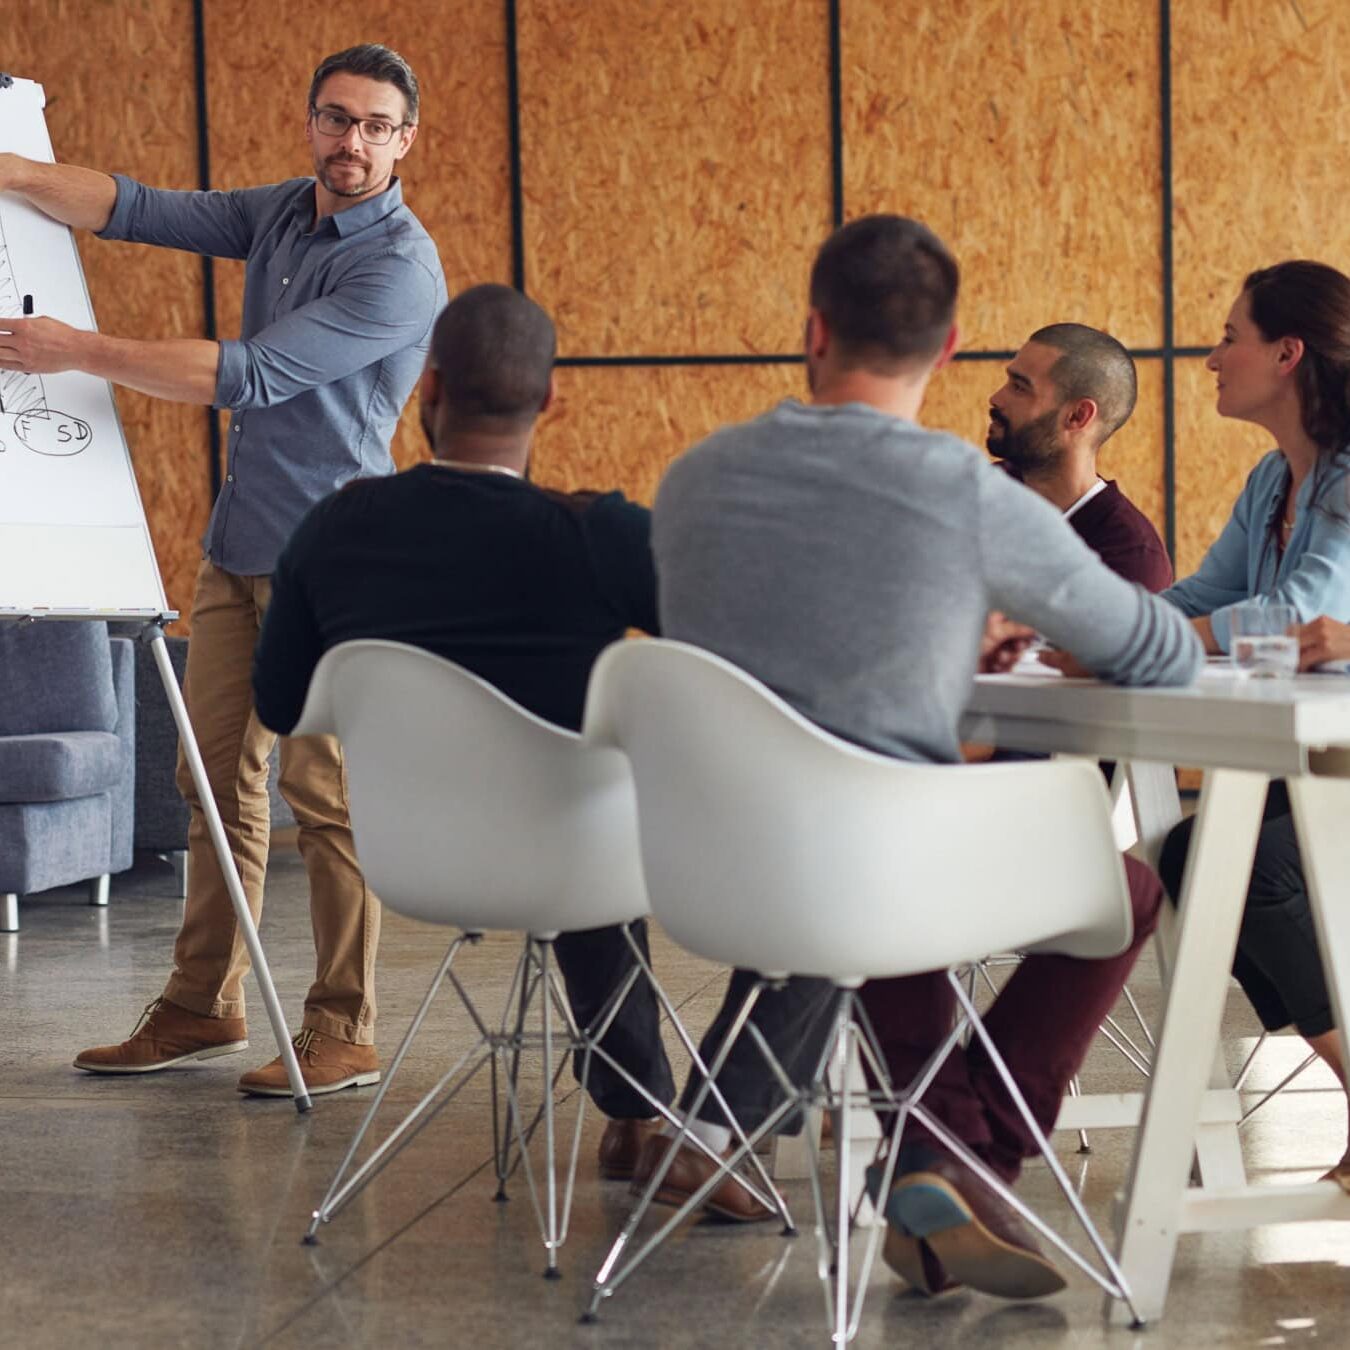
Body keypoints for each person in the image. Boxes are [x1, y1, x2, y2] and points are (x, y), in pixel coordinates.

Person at [649, 214, 1204, 1298]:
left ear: (812, 331)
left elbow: (787, 659)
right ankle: (952, 1148)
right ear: (948, 350)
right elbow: (1156, 648)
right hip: (872, 871)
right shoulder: (967, 494)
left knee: (887, 837)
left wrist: (939, 641)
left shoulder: (695, 477)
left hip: (711, 866)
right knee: (1124, 890)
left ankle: (921, 1159)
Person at [0, 45, 447, 1094]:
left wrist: (77, 346)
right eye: (336, 119)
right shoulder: (285, 211)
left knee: (320, 794)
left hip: (330, 563)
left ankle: (344, 1024)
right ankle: (201, 1007)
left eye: (375, 126)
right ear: (311, 122)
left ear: (405, 140)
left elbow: (250, 374)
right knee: (213, 788)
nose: (352, 141)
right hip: (237, 544)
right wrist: (12, 175)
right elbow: (137, 207)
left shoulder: (400, 268)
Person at [248, 283, 676, 1176]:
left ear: (428, 390)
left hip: (416, 860)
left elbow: (283, 707)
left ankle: (640, 1111)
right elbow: (716, 653)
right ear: (550, 400)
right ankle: (641, 1114)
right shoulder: (599, 534)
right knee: (591, 819)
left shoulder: (332, 529)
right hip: (580, 858)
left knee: (580, 824)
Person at [1154, 261, 1350, 1191]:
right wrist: (1091, 628)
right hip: (1310, 758)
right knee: (1197, 855)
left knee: (1256, 868)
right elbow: (1205, 597)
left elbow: (1299, 613)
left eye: (1228, 335)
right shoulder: (1272, 481)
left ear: (1287, 351)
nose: (1210, 356)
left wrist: (1146, 639)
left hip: (1338, 762)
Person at [988, 323, 1171, 590]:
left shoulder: (1131, 559)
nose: (996, 398)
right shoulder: (982, 491)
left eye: (1019, 388)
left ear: (1077, 416)